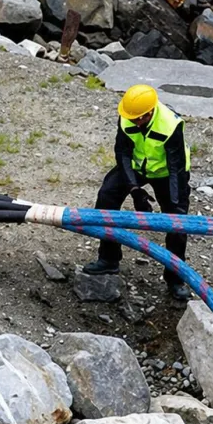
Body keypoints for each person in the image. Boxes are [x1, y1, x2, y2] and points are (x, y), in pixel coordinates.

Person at [83, 84, 193, 301]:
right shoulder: (127, 117)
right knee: (107, 196)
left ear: (149, 113)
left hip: (167, 172)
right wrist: (135, 190)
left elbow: (176, 168)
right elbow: (122, 153)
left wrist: (173, 205)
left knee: (178, 223)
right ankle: (109, 258)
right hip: (136, 166)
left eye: (138, 119)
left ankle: (175, 278)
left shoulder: (171, 125)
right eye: (131, 118)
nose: (133, 121)